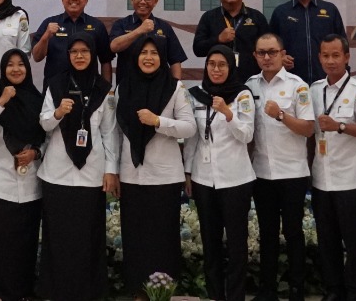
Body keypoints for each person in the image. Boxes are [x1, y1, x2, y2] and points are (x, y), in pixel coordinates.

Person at [37, 36, 119, 301]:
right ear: (68, 54)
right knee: (58, 237)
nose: (80, 56)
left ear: (92, 54)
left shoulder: (103, 88)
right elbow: (44, 123)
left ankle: (88, 292)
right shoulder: (56, 84)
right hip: (57, 173)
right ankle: (56, 291)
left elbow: (109, 133)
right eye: (74, 51)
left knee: (87, 237)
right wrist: (58, 112)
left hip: (91, 173)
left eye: (85, 51)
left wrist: (111, 170)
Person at [115, 36, 195, 296]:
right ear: (135, 57)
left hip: (164, 177)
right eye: (143, 52)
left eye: (154, 53)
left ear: (162, 58)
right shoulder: (123, 87)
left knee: (163, 240)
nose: (148, 58)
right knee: (134, 239)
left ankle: (162, 293)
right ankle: (137, 292)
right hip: (131, 175)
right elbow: (116, 133)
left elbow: (189, 127)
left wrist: (158, 122)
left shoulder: (175, 88)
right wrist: (114, 171)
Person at [0, 49, 45, 301]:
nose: (16, 69)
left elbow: (49, 137)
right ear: (3, 70)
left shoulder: (38, 101)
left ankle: (22, 292)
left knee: (24, 244)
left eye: (21, 64)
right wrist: (1, 102)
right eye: (10, 65)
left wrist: (35, 152)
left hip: (29, 187)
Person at [309, 33, 356, 301]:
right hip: (321, 178)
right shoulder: (314, 89)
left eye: (336, 55)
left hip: (350, 179)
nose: (331, 61)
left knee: (354, 241)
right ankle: (333, 290)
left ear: (347, 57)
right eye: (326, 56)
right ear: (319, 58)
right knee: (327, 240)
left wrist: (339, 126)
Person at [185, 45, 258, 301]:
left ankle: (235, 296)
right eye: (211, 64)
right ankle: (215, 295)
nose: (216, 70)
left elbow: (247, 135)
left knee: (237, 244)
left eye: (222, 65)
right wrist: (187, 172)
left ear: (230, 67)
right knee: (210, 242)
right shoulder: (196, 94)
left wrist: (228, 114)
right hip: (203, 178)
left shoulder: (242, 95)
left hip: (235, 179)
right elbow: (192, 138)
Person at [246, 32, 313, 301]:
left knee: (293, 233)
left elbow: (308, 128)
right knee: (268, 233)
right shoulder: (250, 86)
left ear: (283, 54)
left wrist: (282, 115)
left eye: (272, 52)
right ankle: (267, 290)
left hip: (292, 172)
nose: (267, 57)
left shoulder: (298, 86)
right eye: (261, 52)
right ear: (255, 56)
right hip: (261, 172)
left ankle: (297, 289)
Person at [268, 0, 347, 85]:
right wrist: (279, 59)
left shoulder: (330, 10)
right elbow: (269, 46)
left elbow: (343, 45)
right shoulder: (281, 12)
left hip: (326, 80)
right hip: (289, 82)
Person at [193, 0, 270, 84]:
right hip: (217, 81)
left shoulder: (257, 17)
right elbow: (198, 50)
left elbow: (267, 49)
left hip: (251, 81)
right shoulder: (209, 17)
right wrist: (218, 39)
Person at [32, 0, 115, 83]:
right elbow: (37, 57)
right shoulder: (49, 23)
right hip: (55, 87)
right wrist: (46, 36)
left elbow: (105, 61)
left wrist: (105, 89)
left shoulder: (97, 25)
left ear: (86, 0)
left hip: (88, 88)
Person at [110, 0, 188, 81]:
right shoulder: (121, 24)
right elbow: (114, 47)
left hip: (159, 87)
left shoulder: (164, 27)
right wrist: (139, 30)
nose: (142, 2)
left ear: (156, 1)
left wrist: (176, 85)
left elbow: (175, 61)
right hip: (127, 86)